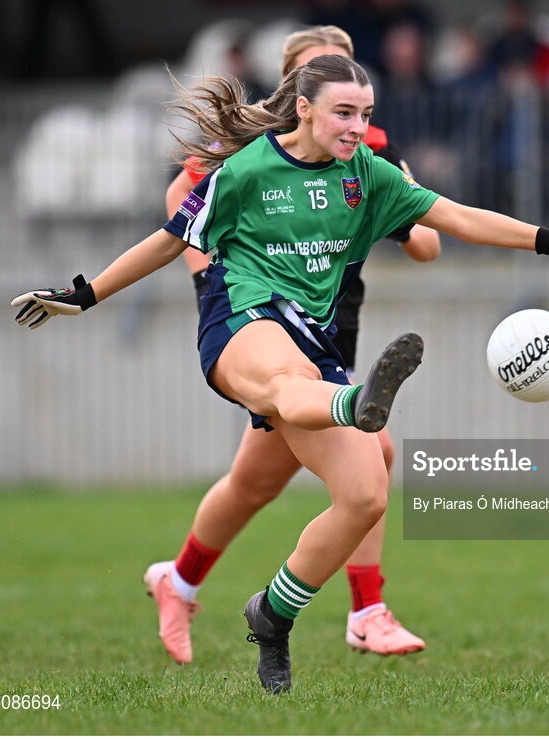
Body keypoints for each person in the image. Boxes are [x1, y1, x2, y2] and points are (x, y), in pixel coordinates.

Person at [11, 53, 549, 693]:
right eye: (344, 113)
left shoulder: (368, 177)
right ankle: (355, 406)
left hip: (313, 344)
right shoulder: (247, 169)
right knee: (285, 381)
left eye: (366, 114)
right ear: (303, 107)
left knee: (364, 497)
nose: (359, 127)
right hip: (241, 322)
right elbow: (169, 240)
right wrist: (86, 294)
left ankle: (270, 616)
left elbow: (455, 218)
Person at [154, 25, 441, 667]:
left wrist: (404, 206)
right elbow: (184, 199)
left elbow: (427, 244)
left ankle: (177, 581)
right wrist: (208, 274)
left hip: (332, 327)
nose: (337, 83)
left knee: (253, 484)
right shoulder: (258, 147)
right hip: (267, 329)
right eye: (318, 71)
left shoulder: (365, 146)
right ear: (296, 87)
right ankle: (366, 610)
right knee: (374, 447)